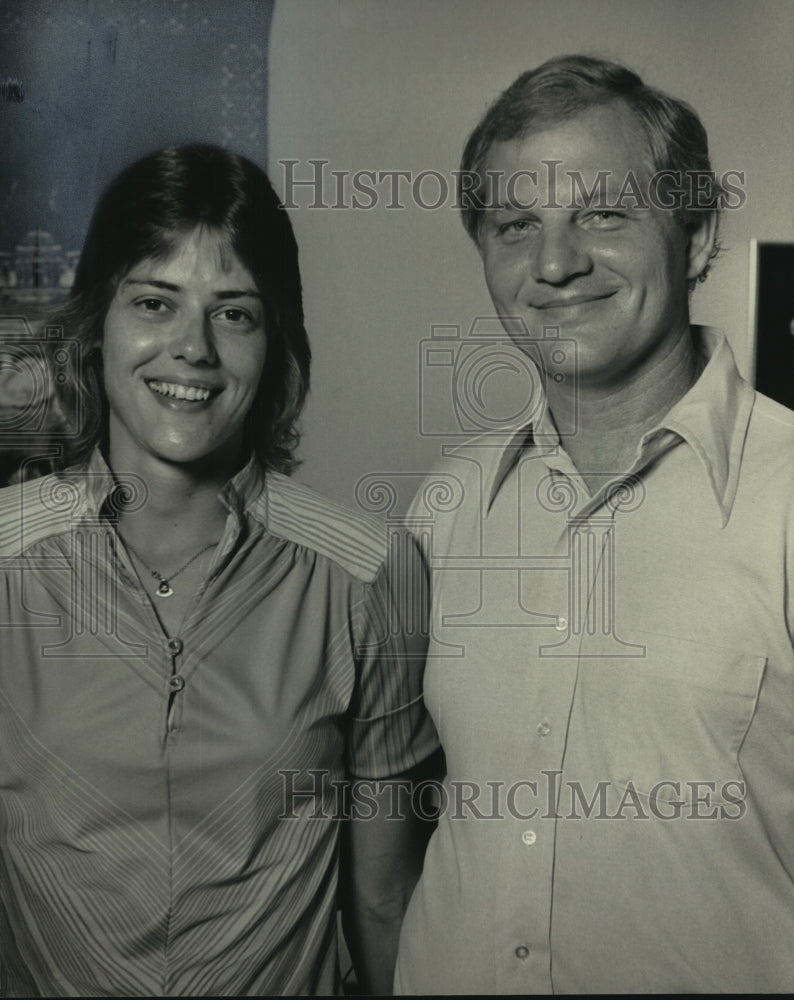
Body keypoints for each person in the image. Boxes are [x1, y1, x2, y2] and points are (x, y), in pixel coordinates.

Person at [394, 55, 794, 994]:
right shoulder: (442, 514)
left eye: (603, 215)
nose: (555, 263)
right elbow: (396, 811)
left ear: (696, 236)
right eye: (515, 225)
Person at [0, 144, 439, 996]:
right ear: (96, 325)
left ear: (276, 342)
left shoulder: (372, 573)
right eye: (155, 302)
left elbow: (384, 902)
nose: (192, 348)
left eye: (234, 313)